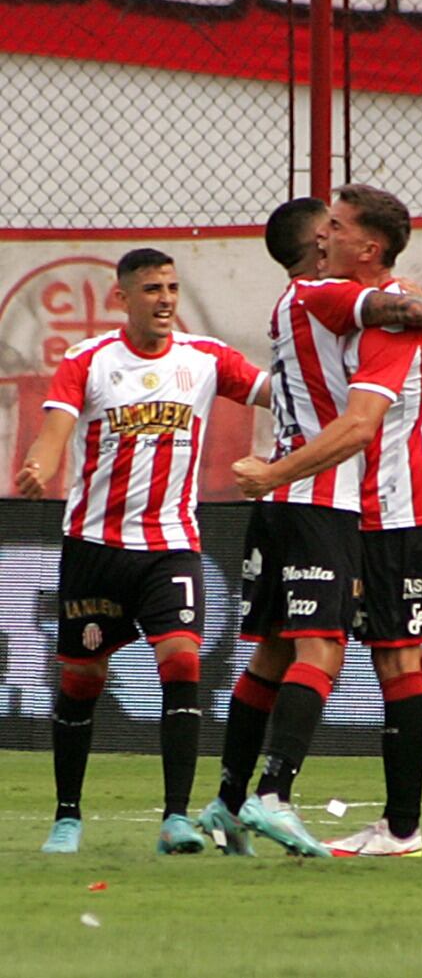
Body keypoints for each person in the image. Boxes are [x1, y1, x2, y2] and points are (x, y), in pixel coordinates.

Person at [197, 190, 422, 857]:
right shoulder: (334, 299)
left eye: (340, 226)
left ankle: (227, 803)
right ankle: (286, 798)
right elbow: (385, 352)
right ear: (314, 246)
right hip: (330, 496)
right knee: (340, 652)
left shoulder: (293, 303)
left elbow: (414, 346)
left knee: (277, 650)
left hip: (298, 500)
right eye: (327, 227)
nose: (330, 235)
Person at [17, 247, 269, 855]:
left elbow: (283, 395)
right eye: (151, 289)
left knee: (182, 661)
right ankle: (67, 817)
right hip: (96, 547)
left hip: (171, 546)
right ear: (121, 297)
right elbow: (56, 429)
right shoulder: (89, 361)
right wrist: (37, 467)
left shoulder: (206, 360)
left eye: (172, 288)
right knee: (81, 681)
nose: (164, 300)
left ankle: (176, 818)